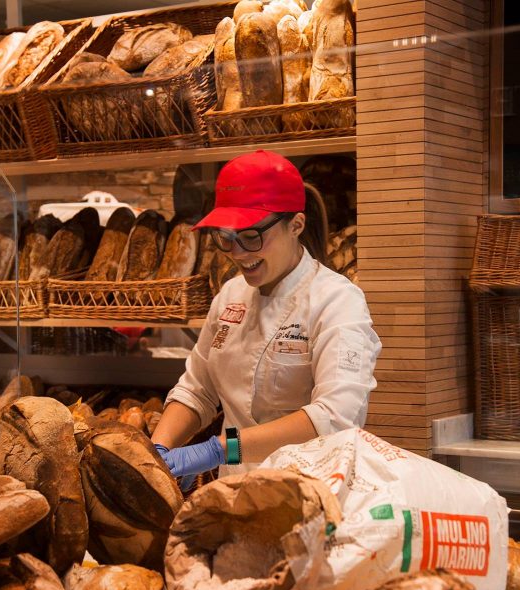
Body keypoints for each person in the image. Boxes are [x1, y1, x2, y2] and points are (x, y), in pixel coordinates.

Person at [151, 150, 382, 481]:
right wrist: (157, 451)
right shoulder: (230, 296)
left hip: (311, 494)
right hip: (233, 491)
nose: (238, 253)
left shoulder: (337, 302)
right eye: (226, 238)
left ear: (296, 225)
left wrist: (218, 449)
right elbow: (197, 389)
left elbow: (332, 418)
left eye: (251, 236)